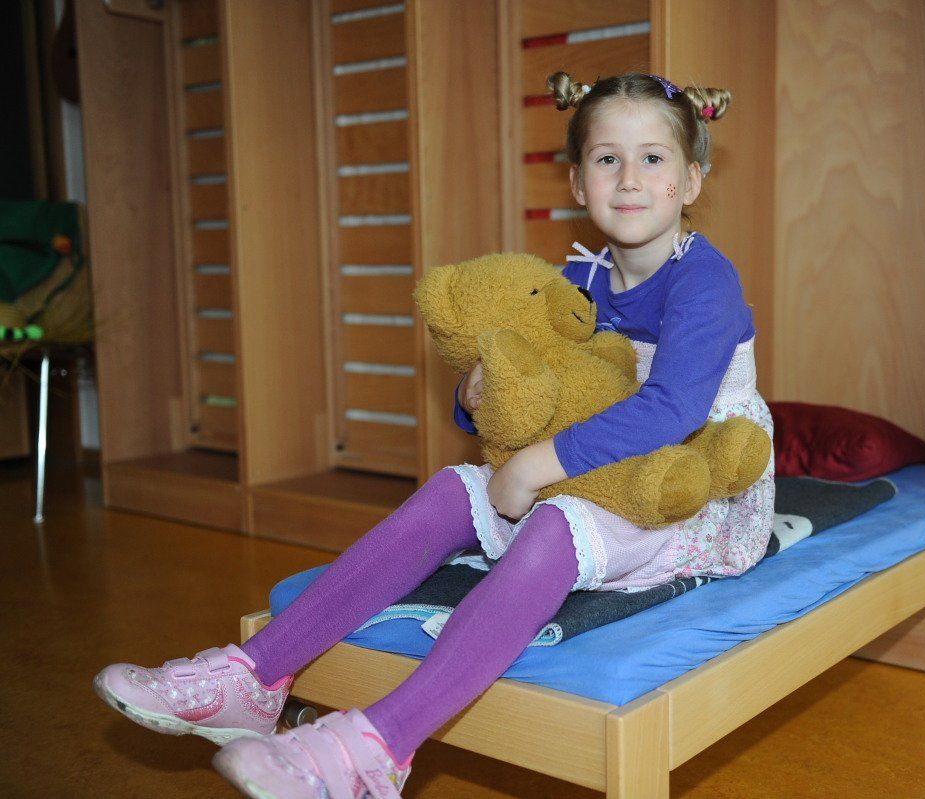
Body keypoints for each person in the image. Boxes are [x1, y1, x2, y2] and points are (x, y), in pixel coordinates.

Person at [93, 71, 774, 799]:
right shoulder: (580, 279)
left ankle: (380, 747)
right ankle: (251, 678)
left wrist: (534, 466)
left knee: (556, 523)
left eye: (653, 158)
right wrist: (477, 393)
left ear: (690, 180)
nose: (629, 178)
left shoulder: (705, 282)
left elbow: (670, 411)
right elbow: (545, 388)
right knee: (455, 489)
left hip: (692, 485)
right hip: (594, 464)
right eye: (608, 158)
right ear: (578, 182)